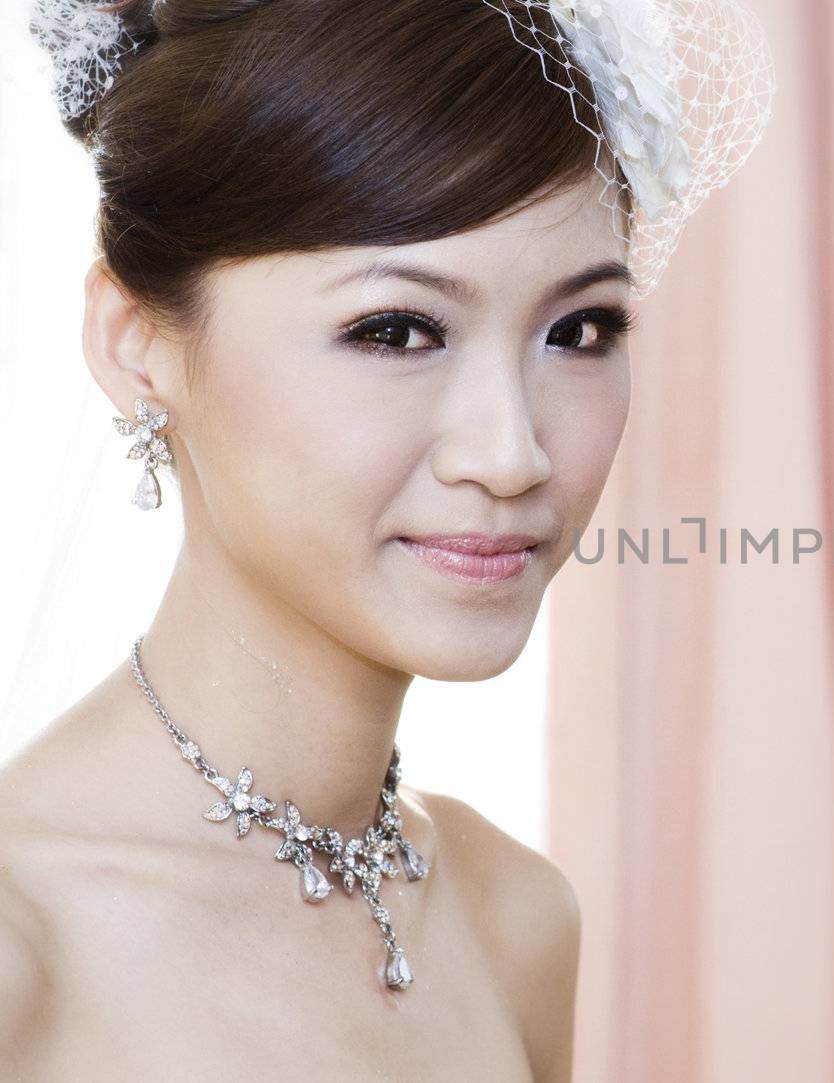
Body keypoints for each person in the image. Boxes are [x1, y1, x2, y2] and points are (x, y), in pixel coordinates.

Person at [0, 0, 772, 1076]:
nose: (511, 455)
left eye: (577, 331)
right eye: (396, 330)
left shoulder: (516, 920)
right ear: (137, 345)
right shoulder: (25, 949)